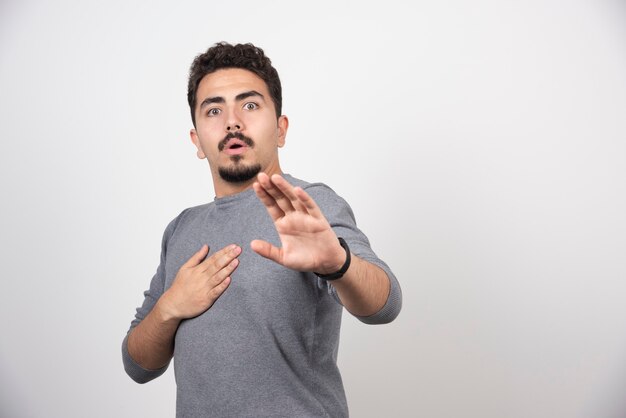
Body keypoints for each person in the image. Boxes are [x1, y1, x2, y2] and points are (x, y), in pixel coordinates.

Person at [122, 42, 402, 417]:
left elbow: (385, 305)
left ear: (281, 129)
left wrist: (337, 263)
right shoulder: (182, 229)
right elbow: (137, 365)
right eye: (214, 109)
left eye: (250, 105)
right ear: (197, 141)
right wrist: (170, 307)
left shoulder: (307, 205)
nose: (232, 121)